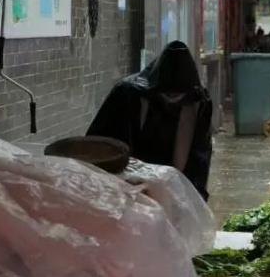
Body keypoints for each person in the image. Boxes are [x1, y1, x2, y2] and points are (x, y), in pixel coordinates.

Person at [86, 41, 213, 201]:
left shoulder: (198, 103)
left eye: (177, 94)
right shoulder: (127, 94)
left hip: (171, 185)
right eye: (168, 93)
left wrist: (196, 200)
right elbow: (99, 146)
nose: (172, 98)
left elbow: (200, 157)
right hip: (127, 184)